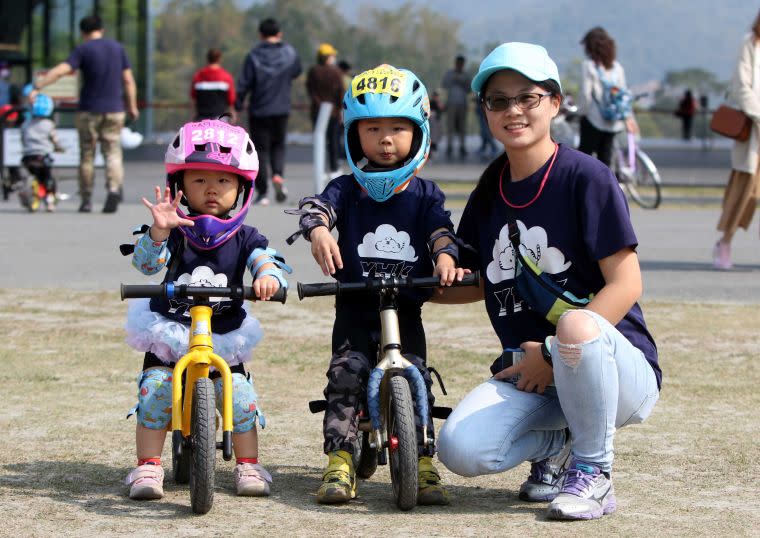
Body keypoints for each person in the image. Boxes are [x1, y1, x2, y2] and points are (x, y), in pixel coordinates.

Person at [433, 42, 661, 521]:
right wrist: (398, 278)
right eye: (498, 100)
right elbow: (475, 281)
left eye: (528, 98)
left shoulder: (586, 177)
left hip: (613, 370)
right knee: (459, 448)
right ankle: (560, 444)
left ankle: (593, 472)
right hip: (532, 372)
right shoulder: (490, 188)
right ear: (485, 111)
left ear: (555, 103)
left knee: (576, 327)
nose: (513, 110)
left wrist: (556, 353)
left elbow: (626, 284)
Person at [286, 64, 464, 506]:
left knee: (417, 377)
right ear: (353, 135)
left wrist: (445, 255)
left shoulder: (426, 195)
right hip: (355, 307)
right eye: (373, 129)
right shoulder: (346, 190)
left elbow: (441, 230)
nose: (386, 139)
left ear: (418, 132)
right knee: (345, 377)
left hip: (406, 310)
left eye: (398, 128)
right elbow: (316, 207)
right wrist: (319, 231)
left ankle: (423, 460)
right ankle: (341, 460)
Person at [123, 119, 291, 500]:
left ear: (243, 188)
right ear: (179, 186)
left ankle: (248, 463)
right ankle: (147, 466)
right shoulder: (175, 227)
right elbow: (147, 265)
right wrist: (159, 232)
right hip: (170, 328)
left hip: (222, 332)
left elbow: (265, 259)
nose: (211, 189)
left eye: (223, 181)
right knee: (156, 391)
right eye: (199, 181)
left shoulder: (245, 235)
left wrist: (268, 276)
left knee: (239, 394)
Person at [28, 15, 139, 214]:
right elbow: (128, 81)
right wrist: (132, 106)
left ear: (82, 32)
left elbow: (62, 70)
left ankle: (86, 199)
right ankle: (113, 189)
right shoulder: (117, 48)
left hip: (88, 110)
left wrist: (38, 87)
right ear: (101, 29)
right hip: (114, 109)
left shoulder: (83, 49)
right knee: (112, 152)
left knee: (87, 155)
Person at [235, 17, 302, 206]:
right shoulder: (289, 53)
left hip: (259, 109)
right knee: (279, 145)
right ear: (279, 34)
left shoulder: (253, 56)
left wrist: (238, 106)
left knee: (260, 151)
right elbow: (297, 71)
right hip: (282, 108)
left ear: (260, 35)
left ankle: (263, 192)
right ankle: (278, 175)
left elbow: (244, 84)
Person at [713, 11, 760, 271]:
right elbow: (742, 86)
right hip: (754, 133)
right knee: (744, 194)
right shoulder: (750, 43)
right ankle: (725, 241)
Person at [576, 27, 637, 167]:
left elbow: (586, 95)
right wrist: (628, 118)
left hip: (594, 120)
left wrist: (581, 113)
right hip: (613, 122)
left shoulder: (589, 66)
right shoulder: (617, 68)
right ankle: (604, 187)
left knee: (583, 159)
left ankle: (581, 187)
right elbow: (624, 96)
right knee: (606, 161)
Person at [19, 93, 64, 212]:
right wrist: (59, 148)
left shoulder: (26, 124)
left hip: (28, 156)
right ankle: (50, 199)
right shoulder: (49, 125)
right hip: (43, 156)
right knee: (48, 176)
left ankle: (27, 190)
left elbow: (23, 139)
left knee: (28, 173)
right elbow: (55, 140)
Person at [306, 43, 344, 179]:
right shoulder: (336, 72)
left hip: (317, 112)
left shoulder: (313, 71)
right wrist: (340, 109)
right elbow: (340, 92)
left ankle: (320, 169)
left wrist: (318, 103)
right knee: (333, 140)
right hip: (333, 112)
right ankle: (334, 169)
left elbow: (310, 90)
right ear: (328, 57)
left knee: (319, 141)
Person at [190, 48, 236, 122]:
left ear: (207, 59)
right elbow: (231, 101)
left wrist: (193, 115)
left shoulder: (198, 76)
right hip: (220, 119)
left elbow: (193, 99)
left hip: (201, 119)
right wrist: (233, 115)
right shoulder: (226, 77)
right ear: (219, 59)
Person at [441, 55, 471, 159]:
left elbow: (469, 89)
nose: (459, 65)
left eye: (461, 63)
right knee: (450, 126)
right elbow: (444, 85)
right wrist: (453, 79)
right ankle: (449, 146)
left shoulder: (466, 75)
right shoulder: (450, 74)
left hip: (462, 103)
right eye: (458, 63)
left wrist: (463, 82)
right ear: (456, 63)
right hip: (451, 103)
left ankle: (462, 146)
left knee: (462, 127)